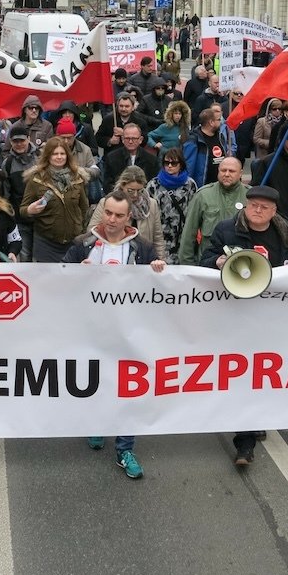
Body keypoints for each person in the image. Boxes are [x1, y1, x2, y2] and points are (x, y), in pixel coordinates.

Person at [201, 185, 288, 466]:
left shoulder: (287, 232)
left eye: (264, 207)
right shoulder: (227, 230)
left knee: (265, 373)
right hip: (238, 314)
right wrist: (218, 261)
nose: (257, 210)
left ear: (274, 211)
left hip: (274, 317)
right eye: (253, 205)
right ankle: (245, 443)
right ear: (246, 205)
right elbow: (205, 259)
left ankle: (256, 419)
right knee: (245, 374)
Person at [63, 189, 166, 480]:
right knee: (95, 381)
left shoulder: (143, 248)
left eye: (119, 215)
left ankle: (125, 449)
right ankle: (96, 423)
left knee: (128, 389)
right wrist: (74, 272)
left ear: (128, 217)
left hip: (129, 333)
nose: (112, 219)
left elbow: (157, 290)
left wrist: (159, 269)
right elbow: (58, 281)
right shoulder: (83, 245)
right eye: (108, 212)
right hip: (92, 331)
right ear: (102, 211)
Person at [21, 138, 89, 263]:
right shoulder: (36, 180)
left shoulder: (77, 178)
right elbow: (23, 210)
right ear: (48, 156)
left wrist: (83, 232)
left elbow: (84, 208)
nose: (59, 157)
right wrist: (30, 210)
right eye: (55, 154)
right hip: (46, 243)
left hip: (73, 242)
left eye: (62, 154)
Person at [87, 166, 166, 261]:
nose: (135, 195)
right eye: (131, 191)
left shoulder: (151, 205)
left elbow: (158, 239)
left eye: (139, 191)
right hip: (112, 256)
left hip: (143, 258)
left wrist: (160, 261)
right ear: (122, 186)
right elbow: (92, 231)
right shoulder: (107, 202)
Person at [178, 157, 247, 265]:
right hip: (208, 263)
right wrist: (187, 265)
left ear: (240, 173)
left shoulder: (249, 197)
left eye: (232, 171)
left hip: (242, 262)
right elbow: (189, 233)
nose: (227, 174)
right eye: (223, 170)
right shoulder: (203, 195)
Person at [145, 147, 198, 265]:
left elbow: (193, 210)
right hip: (160, 235)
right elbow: (148, 210)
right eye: (166, 163)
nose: (169, 166)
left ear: (181, 164)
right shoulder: (153, 184)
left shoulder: (190, 184)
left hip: (182, 234)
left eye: (173, 163)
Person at [182, 106, 233, 187]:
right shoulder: (194, 140)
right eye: (219, 120)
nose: (221, 122)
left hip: (220, 185)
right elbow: (189, 166)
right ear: (211, 122)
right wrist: (189, 187)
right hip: (202, 186)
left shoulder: (220, 137)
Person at [100, 122, 158, 189]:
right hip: (118, 196)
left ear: (140, 140)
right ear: (122, 139)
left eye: (134, 138)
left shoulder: (151, 159)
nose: (130, 141)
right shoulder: (111, 158)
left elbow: (153, 184)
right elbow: (107, 185)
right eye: (127, 138)